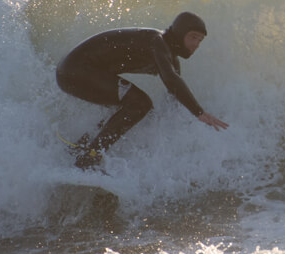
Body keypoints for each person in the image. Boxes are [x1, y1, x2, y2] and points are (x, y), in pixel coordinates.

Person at [56, 11, 229, 169]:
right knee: (139, 104)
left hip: (77, 72)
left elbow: (173, 95)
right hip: (76, 69)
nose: (196, 45)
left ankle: (82, 147)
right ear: (179, 32)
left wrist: (182, 134)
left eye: (200, 40)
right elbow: (171, 80)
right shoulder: (157, 41)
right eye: (193, 37)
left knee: (139, 110)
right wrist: (199, 112)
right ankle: (91, 155)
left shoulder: (169, 58)